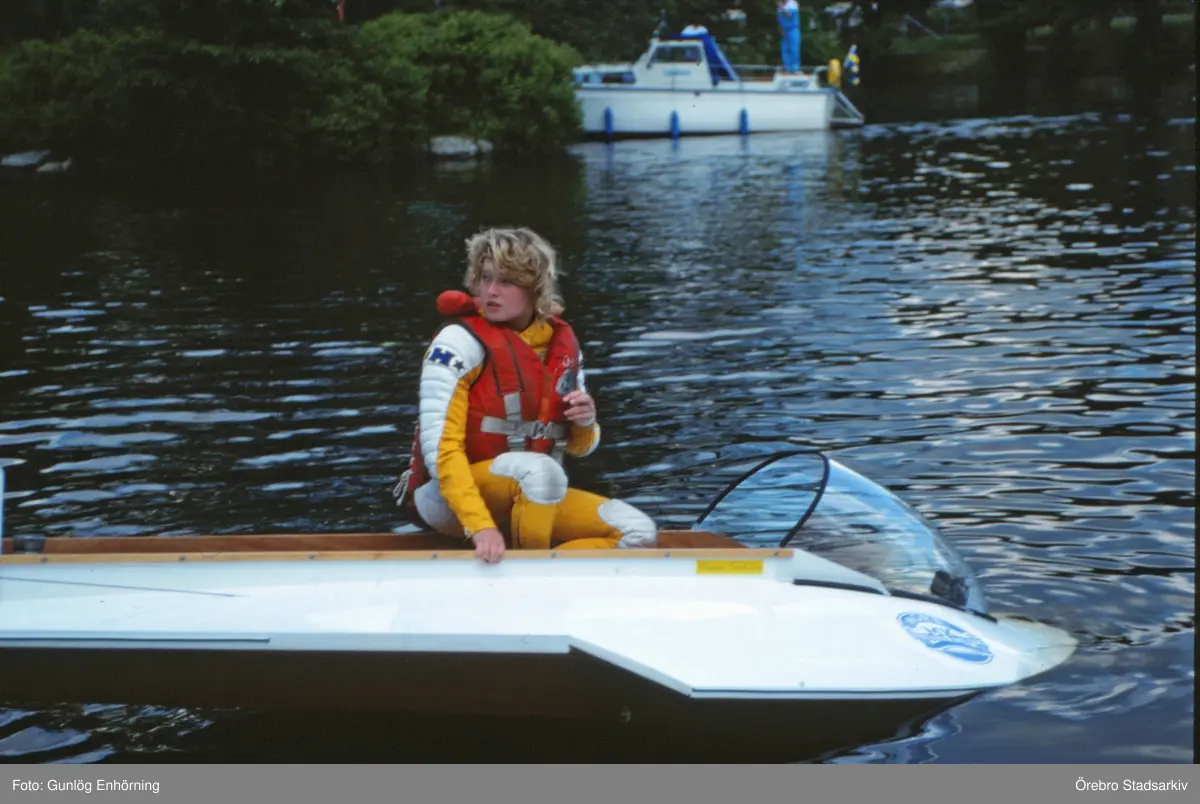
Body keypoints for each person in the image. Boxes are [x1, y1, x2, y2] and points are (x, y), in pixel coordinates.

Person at [396, 227, 657, 564]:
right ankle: (527, 575)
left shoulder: (560, 344)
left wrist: (585, 422)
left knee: (638, 533)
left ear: (534, 288)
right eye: (485, 278)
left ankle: (548, 578)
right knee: (542, 471)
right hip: (450, 500)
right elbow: (441, 453)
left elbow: (581, 447)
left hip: (535, 491)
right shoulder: (456, 343)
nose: (491, 291)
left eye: (506, 281)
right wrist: (480, 527)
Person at [776, 0, 801, 74]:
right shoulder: (780, 6)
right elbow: (779, 19)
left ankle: (795, 69)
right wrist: (781, 28)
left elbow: (789, 15)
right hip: (784, 30)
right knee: (785, 50)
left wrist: (782, 8)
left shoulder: (792, 3)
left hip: (792, 29)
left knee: (793, 49)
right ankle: (787, 68)